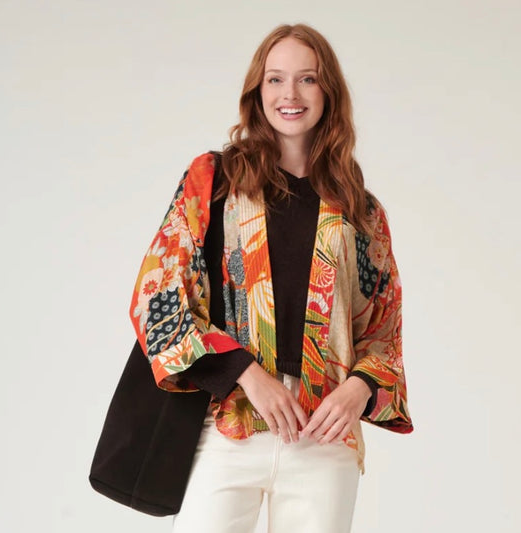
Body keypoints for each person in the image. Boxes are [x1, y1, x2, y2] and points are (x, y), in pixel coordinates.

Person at [129, 23, 413, 533]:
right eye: (276, 79)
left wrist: (357, 389)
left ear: (329, 91)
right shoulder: (214, 180)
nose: (290, 94)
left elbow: (383, 332)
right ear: (257, 92)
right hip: (227, 427)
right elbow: (158, 295)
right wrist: (246, 373)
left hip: (324, 438)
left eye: (308, 79)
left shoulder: (360, 209)